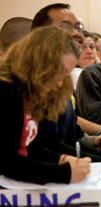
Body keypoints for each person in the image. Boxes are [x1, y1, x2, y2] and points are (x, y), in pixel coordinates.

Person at [29, 4, 101, 206]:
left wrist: (96, 144)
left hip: (73, 167)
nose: (78, 35)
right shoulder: (23, 86)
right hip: (45, 185)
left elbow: (72, 136)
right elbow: (36, 151)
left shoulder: (61, 83)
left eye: (79, 27)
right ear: (39, 34)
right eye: (67, 26)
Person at [0, 26, 92, 185]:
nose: (60, 83)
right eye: (60, 72)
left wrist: (61, 159)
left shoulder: (29, 92)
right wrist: (65, 173)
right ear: (42, 63)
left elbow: (32, 147)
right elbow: (7, 162)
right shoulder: (7, 91)